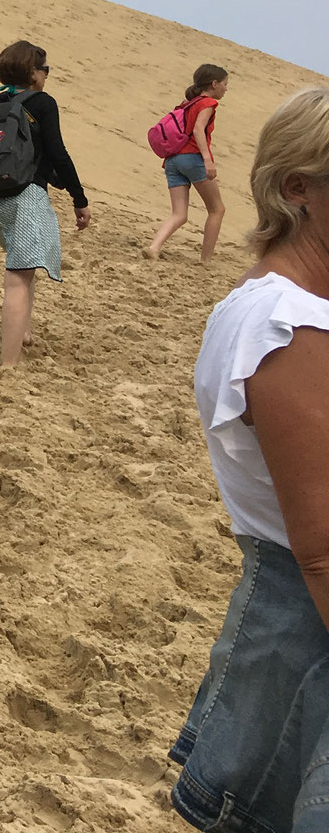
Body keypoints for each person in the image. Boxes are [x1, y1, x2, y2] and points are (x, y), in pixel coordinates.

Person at [170, 87, 329, 830]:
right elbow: (324, 548)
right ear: (299, 188)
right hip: (308, 633)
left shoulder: (288, 307)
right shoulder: (285, 325)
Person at [0, 41, 91, 367]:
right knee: (17, 277)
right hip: (23, 199)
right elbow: (58, 153)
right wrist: (79, 199)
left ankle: (24, 332)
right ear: (33, 72)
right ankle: (8, 364)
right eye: (45, 69)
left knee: (23, 267)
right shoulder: (42, 102)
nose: (47, 75)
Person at [150, 65, 231, 262]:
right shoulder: (208, 103)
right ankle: (206, 260)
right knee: (217, 209)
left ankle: (154, 246)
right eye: (225, 84)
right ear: (214, 84)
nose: (226, 89)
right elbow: (198, 130)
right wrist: (207, 160)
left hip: (172, 160)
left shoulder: (186, 103)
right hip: (192, 158)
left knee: (179, 213)